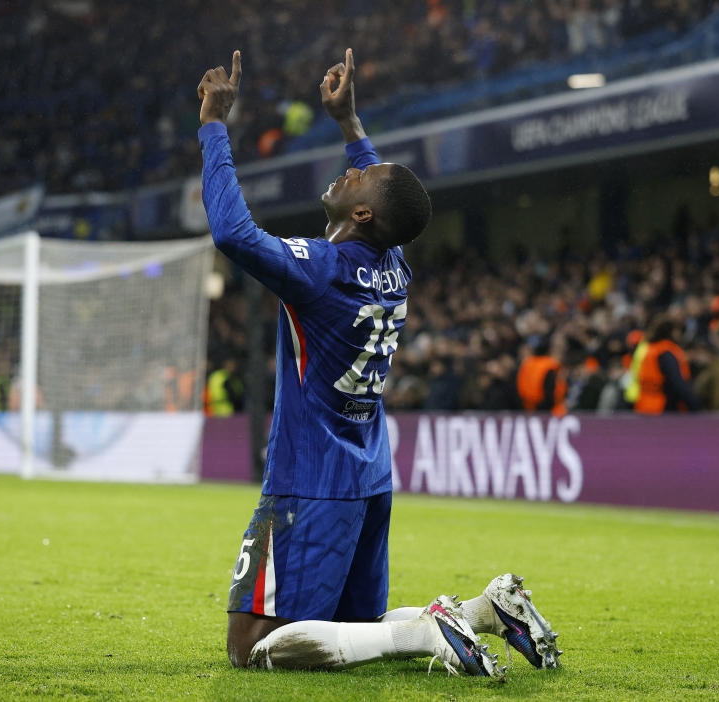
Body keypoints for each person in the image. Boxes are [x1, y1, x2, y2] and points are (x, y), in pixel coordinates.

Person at [197, 49, 560, 678]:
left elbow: (232, 234)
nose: (347, 174)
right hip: (369, 473)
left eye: (356, 179)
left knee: (251, 647)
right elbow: (387, 195)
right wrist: (349, 123)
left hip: (310, 477)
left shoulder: (321, 270)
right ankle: (484, 612)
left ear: (363, 215)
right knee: (356, 624)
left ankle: (427, 633)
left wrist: (213, 126)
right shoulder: (393, 264)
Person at [633, 315, 702, 414]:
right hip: (662, 407)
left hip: (645, 404)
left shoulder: (649, 348)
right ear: (671, 331)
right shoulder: (665, 352)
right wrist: (696, 406)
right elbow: (678, 383)